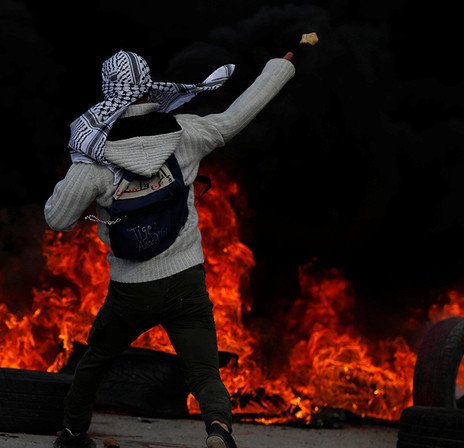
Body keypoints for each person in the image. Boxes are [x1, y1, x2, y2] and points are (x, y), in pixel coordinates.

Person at [45, 48, 295, 448]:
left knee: (96, 361)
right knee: (203, 370)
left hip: (130, 292)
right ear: (149, 88)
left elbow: (57, 218)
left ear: (108, 93)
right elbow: (232, 120)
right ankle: (218, 428)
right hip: (185, 283)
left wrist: (86, 187)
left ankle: (73, 433)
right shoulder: (185, 134)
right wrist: (279, 69)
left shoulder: (95, 158)